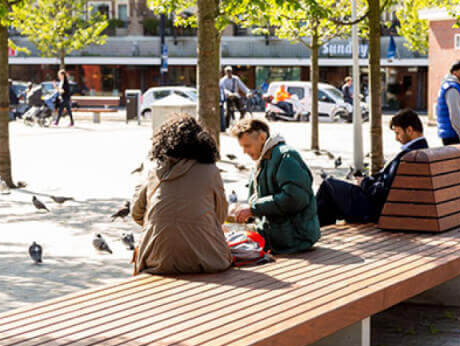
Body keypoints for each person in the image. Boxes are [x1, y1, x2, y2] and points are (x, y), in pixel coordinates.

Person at [132, 114, 232, 275]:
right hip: (208, 260)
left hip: (155, 260)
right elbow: (220, 216)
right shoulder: (210, 171)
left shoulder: (154, 172)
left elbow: (136, 214)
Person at [316, 109, 428, 226]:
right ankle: (319, 229)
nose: (396, 138)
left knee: (328, 186)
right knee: (333, 196)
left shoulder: (408, 156)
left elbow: (381, 191)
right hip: (391, 207)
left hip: (374, 210)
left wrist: (365, 182)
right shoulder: (423, 151)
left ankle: (312, 231)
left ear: (409, 130)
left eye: (397, 133)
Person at [229, 118, 320, 254]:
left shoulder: (285, 156)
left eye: (247, 146)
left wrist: (253, 209)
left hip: (294, 239)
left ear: (262, 137)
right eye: (242, 147)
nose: (244, 152)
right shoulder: (262, 160)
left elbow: (294, 199)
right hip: (279, 235)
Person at [436, 60, 460, 145]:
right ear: (455, 72)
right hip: (454, 136)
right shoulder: (452, 89)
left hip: (452, 134)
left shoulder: (454, 87)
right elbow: (455, 114)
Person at [219, 66, 250, 130]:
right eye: (227, 71)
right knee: (228, 112)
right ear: (225, 72)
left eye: (230, 71)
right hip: (228, 97)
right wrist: (229, 94)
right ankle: (226, 126)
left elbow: (242, 86)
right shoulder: (222, 80)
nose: (229, 73)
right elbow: (223, 89)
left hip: (236, 96)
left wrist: (248, 92)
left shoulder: (236, 79)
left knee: (242, 109)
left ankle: (241, 121)